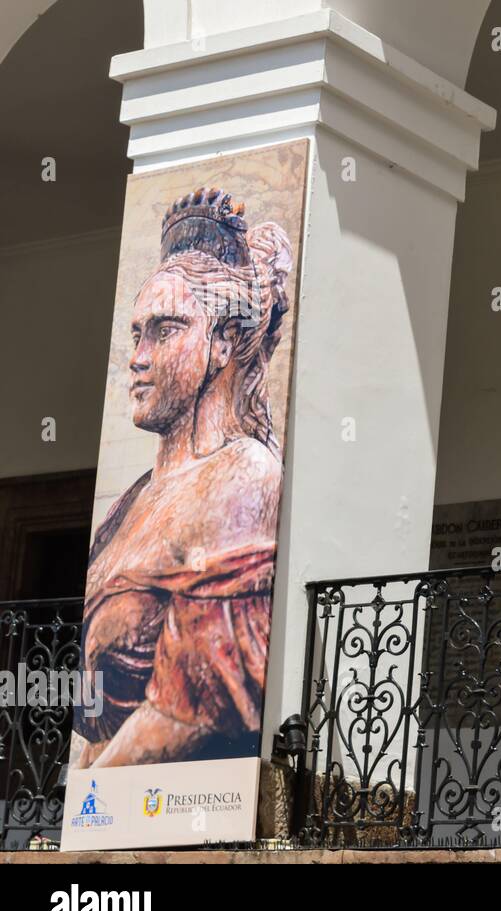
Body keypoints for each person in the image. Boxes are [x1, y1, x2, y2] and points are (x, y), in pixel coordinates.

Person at [71, 187, 293, 768]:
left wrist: (90, 808)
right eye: (135, 334)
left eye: (165, 330)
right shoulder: (133, 501)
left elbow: (192, 703)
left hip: (167, 807)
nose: (137, 358)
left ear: (221, 343)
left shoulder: (243, 476)